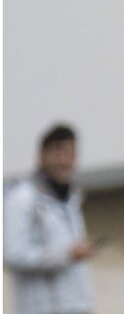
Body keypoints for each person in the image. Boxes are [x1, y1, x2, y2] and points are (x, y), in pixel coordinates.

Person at [4, 124, 95, 314]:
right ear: (42, 155)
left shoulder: (72, 197)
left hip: (77, 307)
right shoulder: (22, 198)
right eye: (58, 153)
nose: (65, 161)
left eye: (70, 154)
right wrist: (65, 255)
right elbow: (13, 254)